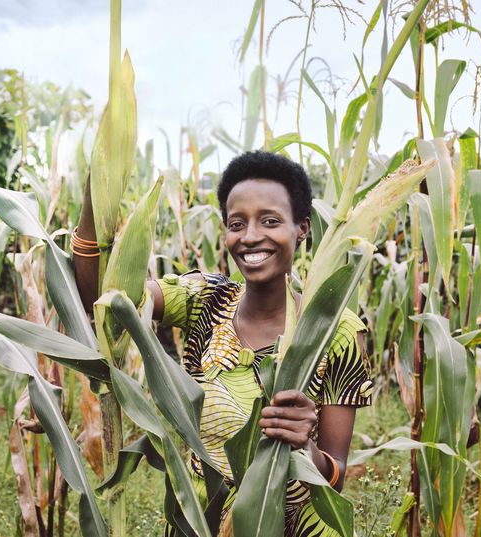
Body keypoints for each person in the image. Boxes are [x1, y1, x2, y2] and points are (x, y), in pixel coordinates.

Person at [72, 150, 373, 535]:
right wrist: (95, 198)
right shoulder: (204, 300)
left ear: (302, 228)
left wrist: (305, 448)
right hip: (200, 522)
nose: (250, 236)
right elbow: (106, 300)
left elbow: (336, 476)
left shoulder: (336, 330)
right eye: (237, 223)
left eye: (270, 221)